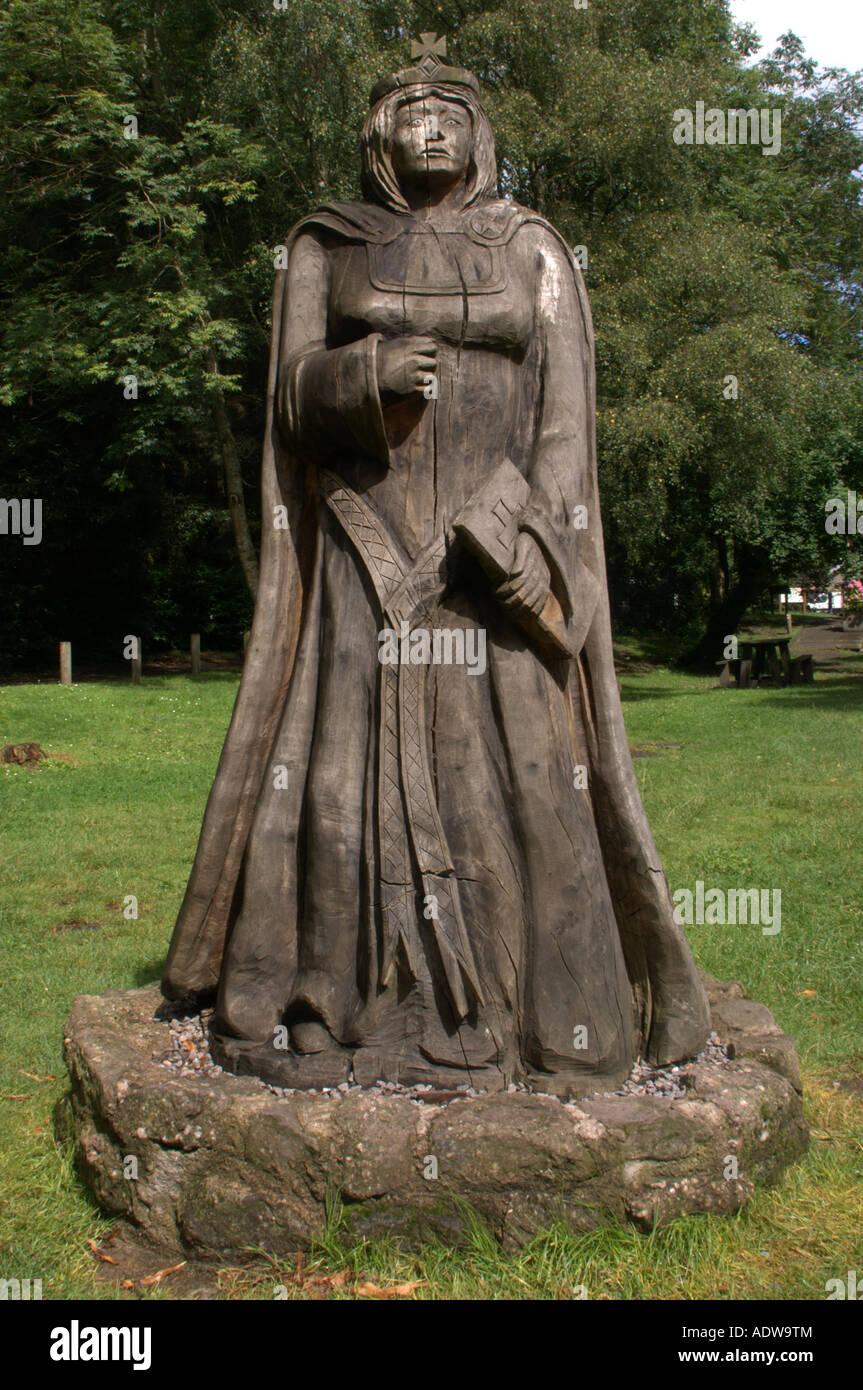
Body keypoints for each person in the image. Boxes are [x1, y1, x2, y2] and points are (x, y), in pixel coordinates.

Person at [162, 43, 710, 1097]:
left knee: (522, 780)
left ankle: (552, 1017)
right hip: (364, 563)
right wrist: (362, 373)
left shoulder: (530, 248)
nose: (429, 125)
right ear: (377, 134)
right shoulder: (329, 243)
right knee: (331, 779)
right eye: (408, 109)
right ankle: (334, 1000)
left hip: (483, 570)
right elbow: (287, 397)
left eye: (449, 110)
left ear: (479, 132)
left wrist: (526, 543)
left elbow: (562, 426)